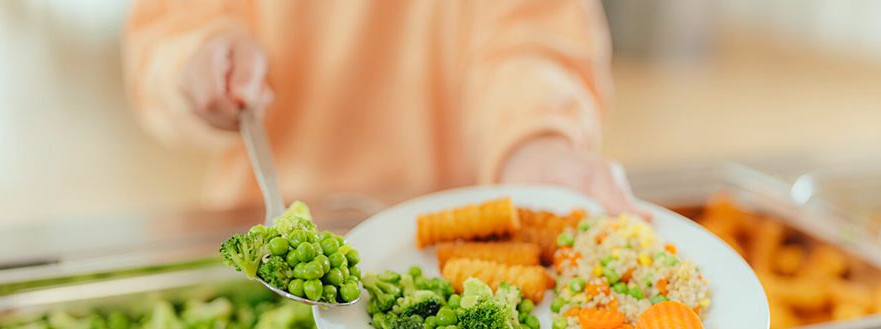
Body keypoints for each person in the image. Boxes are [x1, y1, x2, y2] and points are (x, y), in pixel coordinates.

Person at [123, 0, 640, 215]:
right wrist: (196, 62)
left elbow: (529, 32)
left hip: (456, 226)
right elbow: (168, 27)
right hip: (266, 210)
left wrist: (532, 138)